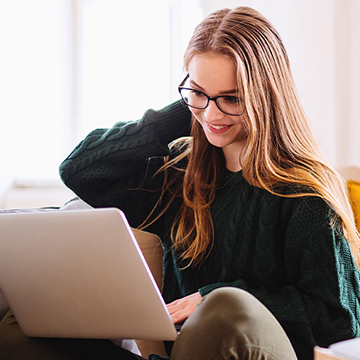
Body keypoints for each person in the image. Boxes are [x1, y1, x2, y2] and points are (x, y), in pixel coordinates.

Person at [0, 6, 359, 360]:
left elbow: (340, 322)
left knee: (225, 308)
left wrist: (214, 296)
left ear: (266, 95)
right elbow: (80, 168)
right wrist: (186, 111)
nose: (213, 114)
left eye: (231, 98)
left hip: (252, 350)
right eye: (198, 93)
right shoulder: (180, 176)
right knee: (20, 331)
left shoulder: (305, 192)